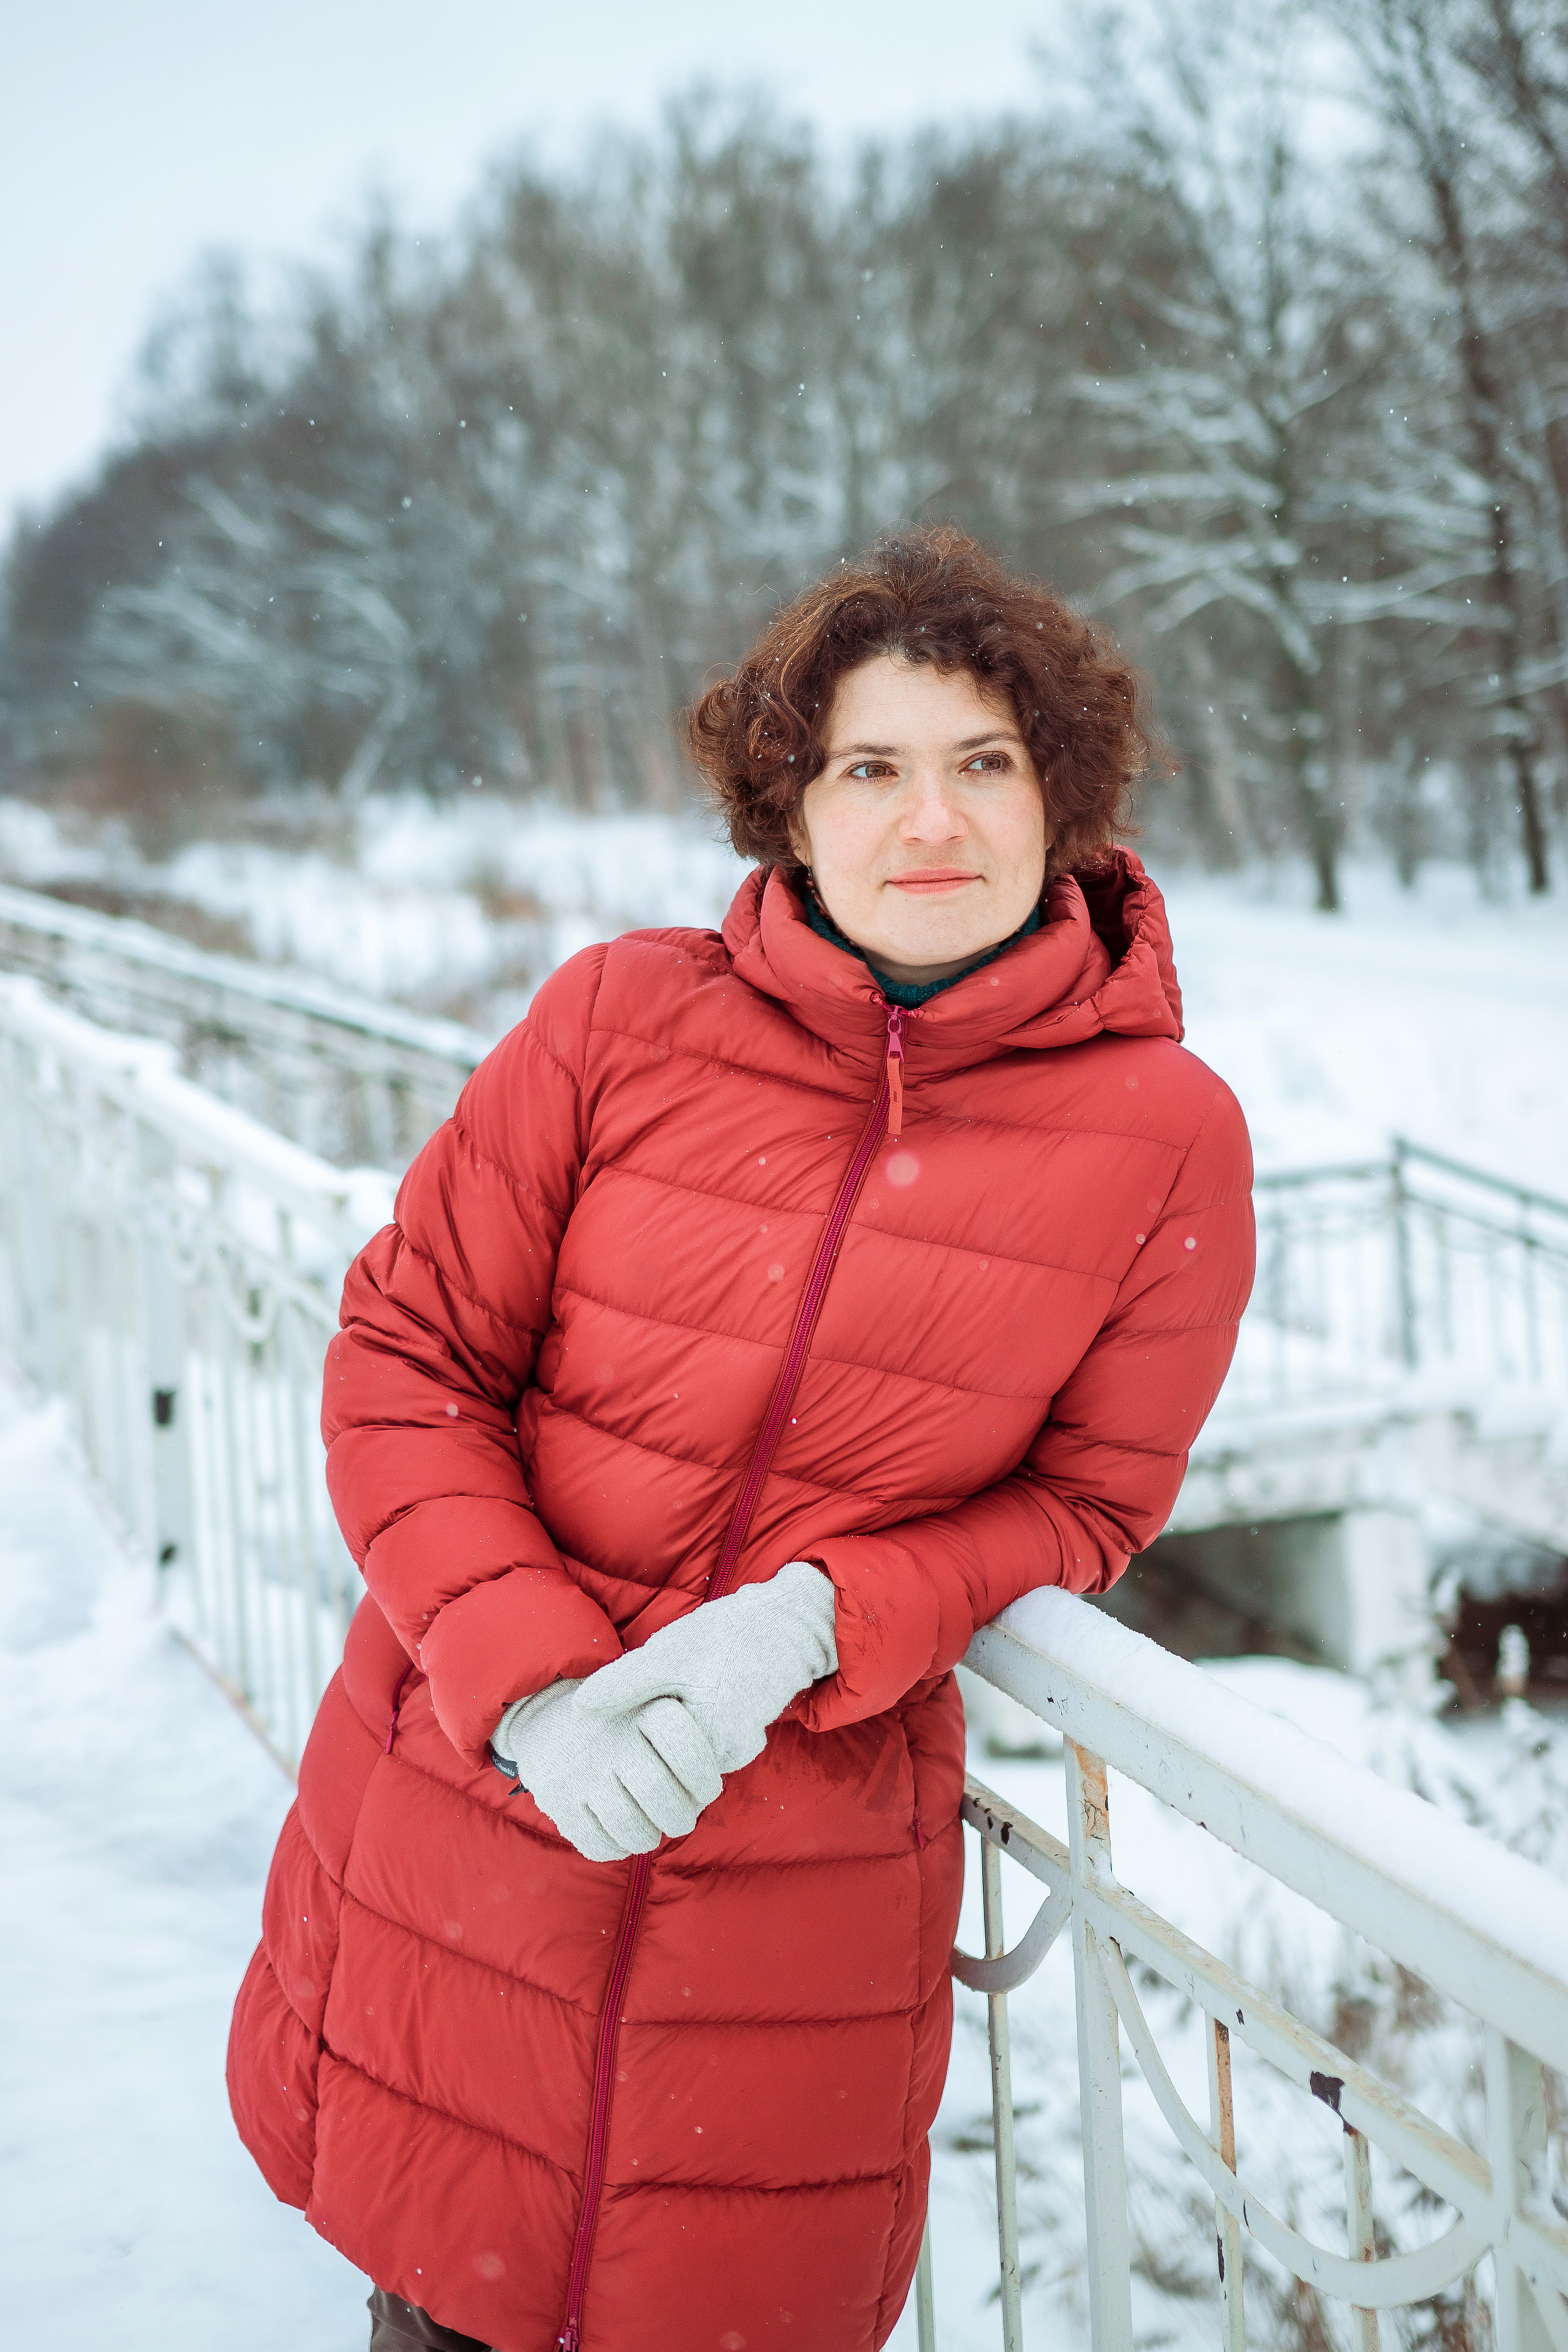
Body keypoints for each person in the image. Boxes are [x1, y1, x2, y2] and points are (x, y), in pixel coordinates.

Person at [228, 526, 1254, 2352]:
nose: (928, 820)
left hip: (793, 1894)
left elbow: (1093, 1502)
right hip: (478, 1811)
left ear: (1062, 800)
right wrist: (530, 1678)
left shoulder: (1167, 1133)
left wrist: (819, 1615)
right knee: (441, 2294)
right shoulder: (621, 1019)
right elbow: (407, 1353)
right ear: (789, 803)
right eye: (871, 767)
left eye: (984, 763)